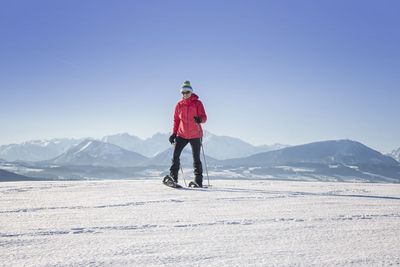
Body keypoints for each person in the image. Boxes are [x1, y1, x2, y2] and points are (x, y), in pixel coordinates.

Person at [168, 81, 207, 187]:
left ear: (191, 92)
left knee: (196, 158)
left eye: (187, 92)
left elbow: (204, 118)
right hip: (182, 134)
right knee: (175, 156)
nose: (185, 94)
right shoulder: (179, 105)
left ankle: (198, 181)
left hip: (196, 134)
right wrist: (173, 134)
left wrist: (200, 119)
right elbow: (176, 121)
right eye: (183, 92)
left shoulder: (198, 103)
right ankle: (173, 178)